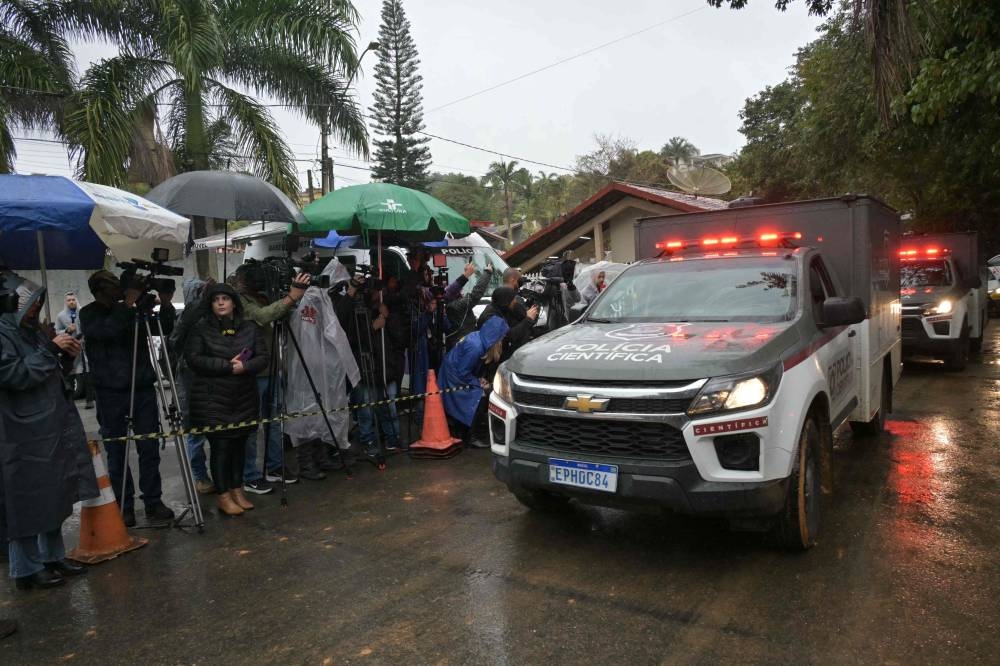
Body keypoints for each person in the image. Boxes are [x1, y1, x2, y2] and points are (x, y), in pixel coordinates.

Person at [0, 273, 97, 590]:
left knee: (55, 492)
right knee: (25, 500)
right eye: (31, 304)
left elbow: (48, 369)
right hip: (21, 430)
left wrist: (66, 357)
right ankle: (25, 568)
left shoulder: (33, 332)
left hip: (51, 422)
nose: (35, 310)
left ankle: (52, 556)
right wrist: (50, 351)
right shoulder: (4, 333)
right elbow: (14, 375)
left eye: (39, 303)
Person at [80, 270, 176, 527]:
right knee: (117, 450)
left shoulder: (130, 309)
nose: (119, 290)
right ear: (99, 290)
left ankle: (153, 501)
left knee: (149, 447)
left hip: (142, 386)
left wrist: (165, 303)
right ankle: (125, 504)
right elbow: (108, 331)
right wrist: (130, 303)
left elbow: (164, 328)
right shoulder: (89, 313)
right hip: (110, 391)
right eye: (112, 286)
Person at [184, 283, 269, 516]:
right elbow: (193, 359)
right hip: (212, 399)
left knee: (239, 446)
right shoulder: (200, 329)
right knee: (221, 448)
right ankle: (223, 495)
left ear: (234, 302)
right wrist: (227, 366)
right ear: (210, 304)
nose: (221, 303)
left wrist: (246, 366)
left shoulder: (250, 328)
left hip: (243, 397)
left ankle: (236, 489)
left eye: (225, 298)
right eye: (216, 299)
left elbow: (263, 357)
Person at [233, 263, 311, 493]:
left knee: (275, 420)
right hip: (253, 371)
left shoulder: (263, 297)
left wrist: (289, 301)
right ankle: (250, 475)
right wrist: (291, 297)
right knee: (252, 426)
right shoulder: (240, 301)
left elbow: (281, 314)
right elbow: (263, 317)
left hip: (271, 367)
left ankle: (275, 467)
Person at [288, 260, 359, 478]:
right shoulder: (302, 299)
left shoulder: (323, 299)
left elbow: (334, 332)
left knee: (321, 413)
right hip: (302, 366)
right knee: (305, 415)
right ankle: (306, 463)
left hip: (320, 367)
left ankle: (321, 458)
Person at [169, 277, 215, 494]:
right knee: (195, 434)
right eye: (198, 293)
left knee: (218, 433)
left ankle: (220, 476)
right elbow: (175, 342)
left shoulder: (214, 318)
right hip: (191, 382)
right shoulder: (184, 319)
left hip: (214, 380)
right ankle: (200, 476)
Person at [439, 315, 509, 448]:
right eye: (502, 336)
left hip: (454, 370)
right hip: (454, 376)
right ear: (496, 336)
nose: (503, 339)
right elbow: (462, 371)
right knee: (478, 396)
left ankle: (468, 430)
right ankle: (471, 436)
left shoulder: (478, 338)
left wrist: (478, 380)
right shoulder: (476, 347)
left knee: (480, 392)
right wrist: (477, 382)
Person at [54, 291, 95, 409]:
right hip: (71, 347)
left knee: (87, 371)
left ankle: (90, 399)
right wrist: (67, 330)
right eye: (69, 300)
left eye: (73, 299)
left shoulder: (83, 312)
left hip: (84, 346)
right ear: (66, 302)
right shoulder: (61, 316)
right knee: (70, 373)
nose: (71, 302)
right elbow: (57, 331)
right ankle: (69, 400)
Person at [444, 263, 494, 350]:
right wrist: (487, 273)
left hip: (461, 342)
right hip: (463, 345)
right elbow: (475, 295)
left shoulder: (452, 303)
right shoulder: (455, 306)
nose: (460, 288)